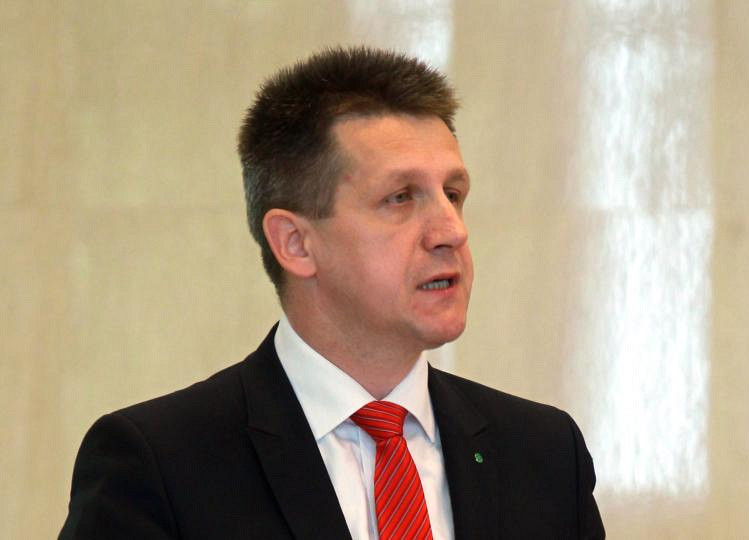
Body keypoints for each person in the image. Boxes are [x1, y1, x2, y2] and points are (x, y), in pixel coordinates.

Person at [59, 46, 605, 540]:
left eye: (453, 193)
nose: (451, 231)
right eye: (400, 197)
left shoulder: (545, 454)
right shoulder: (160, 465)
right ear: (295, 243)